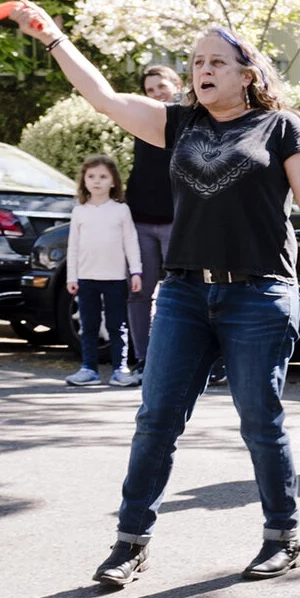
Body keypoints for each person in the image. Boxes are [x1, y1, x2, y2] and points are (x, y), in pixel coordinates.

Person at [10, 2, 300, 585]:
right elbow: (103, 97)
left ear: (248, 74)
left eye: (217, 61)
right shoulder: (177, 124)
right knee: (156, 420)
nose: (203, 70)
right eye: (196, 62)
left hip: (260, 293)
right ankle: (129, 543)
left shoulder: (281, 127)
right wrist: (53, 38)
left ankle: (281, 535)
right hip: (183, 294)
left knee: (259, 420)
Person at [64, 155, 141, 388]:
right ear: (84, 181)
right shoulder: (79, 212)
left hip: (115, 278)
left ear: (113, 182)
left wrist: (136, 271)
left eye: (103, 176)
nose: (97, 181)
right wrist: (71, 276)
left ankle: (120, 369)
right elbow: (73, 246)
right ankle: (89, 369)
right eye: (91, 176)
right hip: (86, 278)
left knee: (117, 326)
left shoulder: (121, 210)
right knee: (89, 325)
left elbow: (131, 241)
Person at [125, 63, 180, 373]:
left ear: (177, 85)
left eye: (162, 86)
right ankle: (143, 359)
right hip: (141, 220)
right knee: (139, 291)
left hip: (177, 221)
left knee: (181, 292)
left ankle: (184, 358)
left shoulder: (191, 120)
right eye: (150, 90)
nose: (157, 93)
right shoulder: (140, 120)